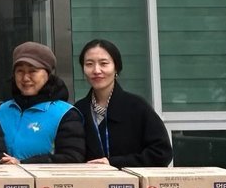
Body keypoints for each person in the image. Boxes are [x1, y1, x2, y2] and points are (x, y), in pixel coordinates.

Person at [74, 37, 173, 168]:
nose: (96, 70)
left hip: (132, 180)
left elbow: (162, 153)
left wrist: (114, 163)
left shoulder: (137, 107)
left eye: (104, 63)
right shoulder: (78, 110)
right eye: (89, 64)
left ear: (116, 68)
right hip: (90, 180)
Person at [0, 41, 86, 164]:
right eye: (20, 71)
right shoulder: (3, 110)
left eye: (33, 71)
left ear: (48, 74)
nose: (25, 78)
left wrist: (23, 164)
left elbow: (72, 157)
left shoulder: (65, 114)